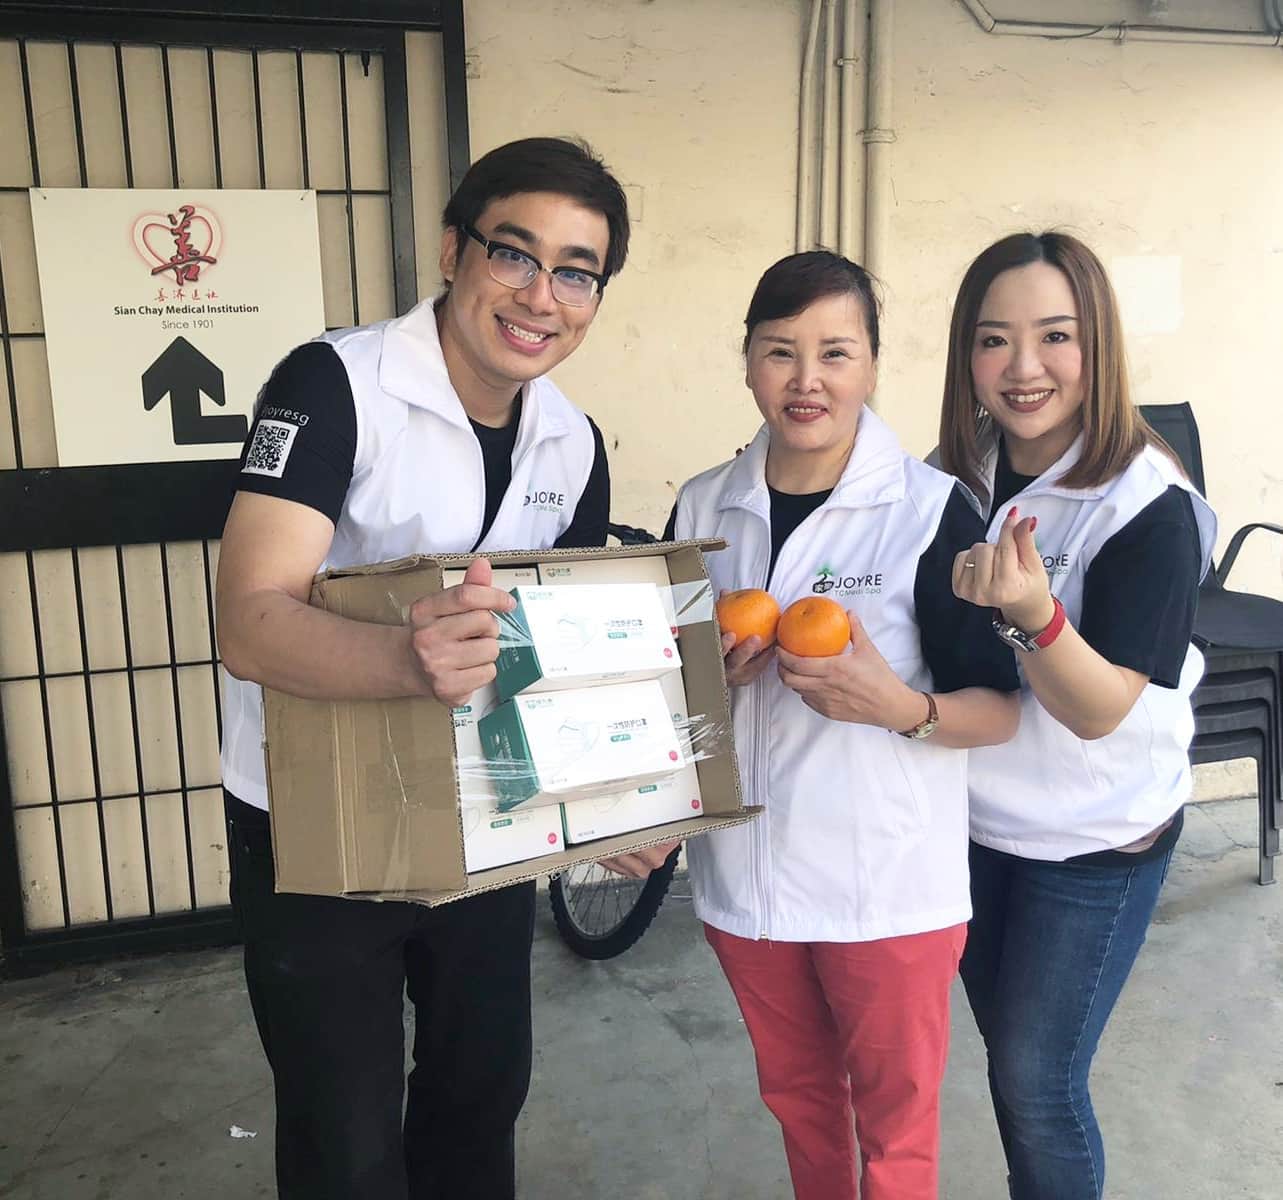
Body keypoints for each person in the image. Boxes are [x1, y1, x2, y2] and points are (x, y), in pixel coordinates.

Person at [216, 136, 667, 1200]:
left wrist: (615, 800)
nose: (540, 297)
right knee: (345, 1131)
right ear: (454, 248)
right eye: (514, 255)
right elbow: (248, 621)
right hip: (316, 818)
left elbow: (552, 658)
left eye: (575, 272)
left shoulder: (572, 440)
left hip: (483, 811)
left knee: (479, 1092)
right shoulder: (336, 384)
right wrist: (402, 657)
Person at [666, 251, 1022, 1200]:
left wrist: (896, 707)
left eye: (834, 352)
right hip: (746, 883)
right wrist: (711, 685)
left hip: (885, 887)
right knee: (799, 1103)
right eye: (780, 352)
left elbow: (1000, 711)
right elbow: (669, 688)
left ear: (871, 365)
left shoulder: (931, 510)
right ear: (746, 363)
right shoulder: (703, 505)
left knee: (896, 1127)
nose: (806, 379)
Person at [940, 231, 1217, 1200]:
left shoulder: (1145, 504)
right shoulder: (962, 472)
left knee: (1037, 1080)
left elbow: (1099, 709)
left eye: (1053, 336)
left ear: (1096, 345)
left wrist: (1031, 614)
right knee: (1007, 1066)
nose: (1021, 369)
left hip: (1093, 837)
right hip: (977, 825)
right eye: (991, 340)